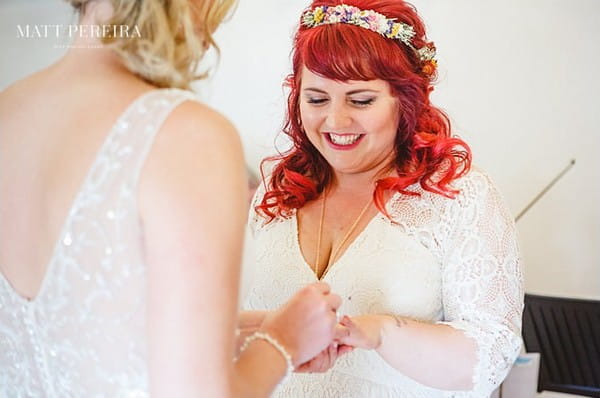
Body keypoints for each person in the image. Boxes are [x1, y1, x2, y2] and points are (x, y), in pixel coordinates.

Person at [0, 1, 341, 396]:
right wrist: (284, 342)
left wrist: (250, 332)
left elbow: (83, 338)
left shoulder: (10, 111)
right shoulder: (184, 134)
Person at [242, 0, 524, 396]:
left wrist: (379, 332)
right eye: (317, 99)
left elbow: (491, 356)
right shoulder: (279, 188)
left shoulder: (460, 197)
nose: (336, 121)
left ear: (405, 101)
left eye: (360, 100)